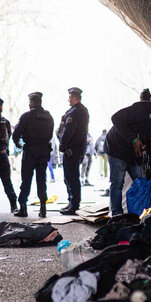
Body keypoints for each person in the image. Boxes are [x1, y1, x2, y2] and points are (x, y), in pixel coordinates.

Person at [13, 92, 54, 218]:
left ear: (32, 102)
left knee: (26, 180)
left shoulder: (26, 116)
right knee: (41, 180)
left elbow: (16, 134)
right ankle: (43, 208)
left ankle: (23, 208)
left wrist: (19, 145)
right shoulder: (49, 116)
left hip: (30, 151)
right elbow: (51, 135)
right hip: (43, 151)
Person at [57, 87, 90, 215]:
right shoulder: (83, 110)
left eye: (70, 97)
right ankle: (73, 202)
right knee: (73, 177)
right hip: (79, 149)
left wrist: (62, 145)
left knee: (70, 177)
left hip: (71, 149)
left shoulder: (74, 112)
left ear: (75, 98)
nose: (68, 100)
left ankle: (73, 204)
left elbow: (68, 131)